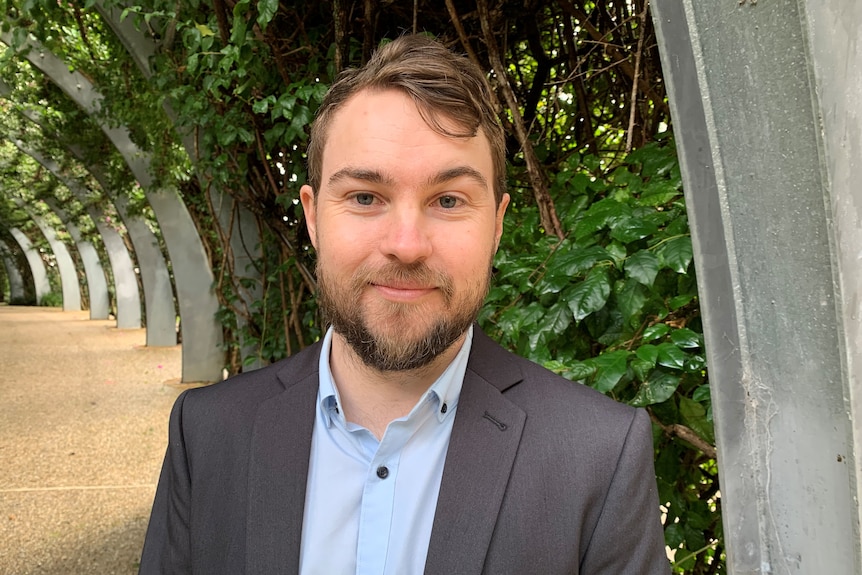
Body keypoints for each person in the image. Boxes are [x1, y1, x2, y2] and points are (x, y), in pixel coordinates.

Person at [139, 34, 669, 575]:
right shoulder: (206, 434)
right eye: (365, 197)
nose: (407, 244)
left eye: (448, 200)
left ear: (497, 225)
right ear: (314, 216)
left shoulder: (599, 455)